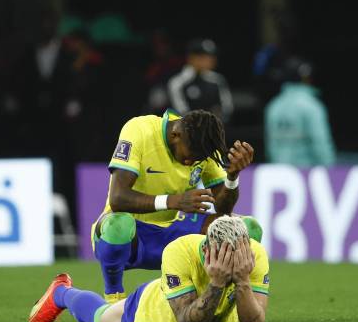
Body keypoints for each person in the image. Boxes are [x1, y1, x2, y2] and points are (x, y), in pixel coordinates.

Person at [93, 108, 260, 302]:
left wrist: (232, 178)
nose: (191, 162)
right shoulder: (139, 130)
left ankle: (227, 301)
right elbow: (118, 198)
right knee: (118, 225)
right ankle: (113, 298)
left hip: (175, 236)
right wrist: (173, 201)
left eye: (197, 160)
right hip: (134, 238)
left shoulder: (202, 144)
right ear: (175, 135)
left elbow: (223, 210)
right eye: (190, 156)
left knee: (246, 228)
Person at [29, 215, 268, 322]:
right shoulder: (178, 250)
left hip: (184, 293)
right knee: (100, 317)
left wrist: (243, 280)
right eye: (220, 256)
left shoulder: (254, 256)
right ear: (206, 247)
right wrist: (217, 282)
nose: (228, 263)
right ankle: (61, 292)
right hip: (153, 308)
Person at [264, 57, 335, 166]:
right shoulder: (312, 106)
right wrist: (330, 170)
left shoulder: (273, 106)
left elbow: (270, 146)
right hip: (307, 175)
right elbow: (321, 144)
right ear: (306, 79)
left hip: (279, 174)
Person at [167, 38, 234, 123]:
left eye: (212, 56)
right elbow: (180, 113)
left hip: (215, 130)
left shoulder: (217, 80)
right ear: (191, 57)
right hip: (185, 132)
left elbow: (227, 109)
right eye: (203, 57)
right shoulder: (177, 82)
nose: (210, 60)